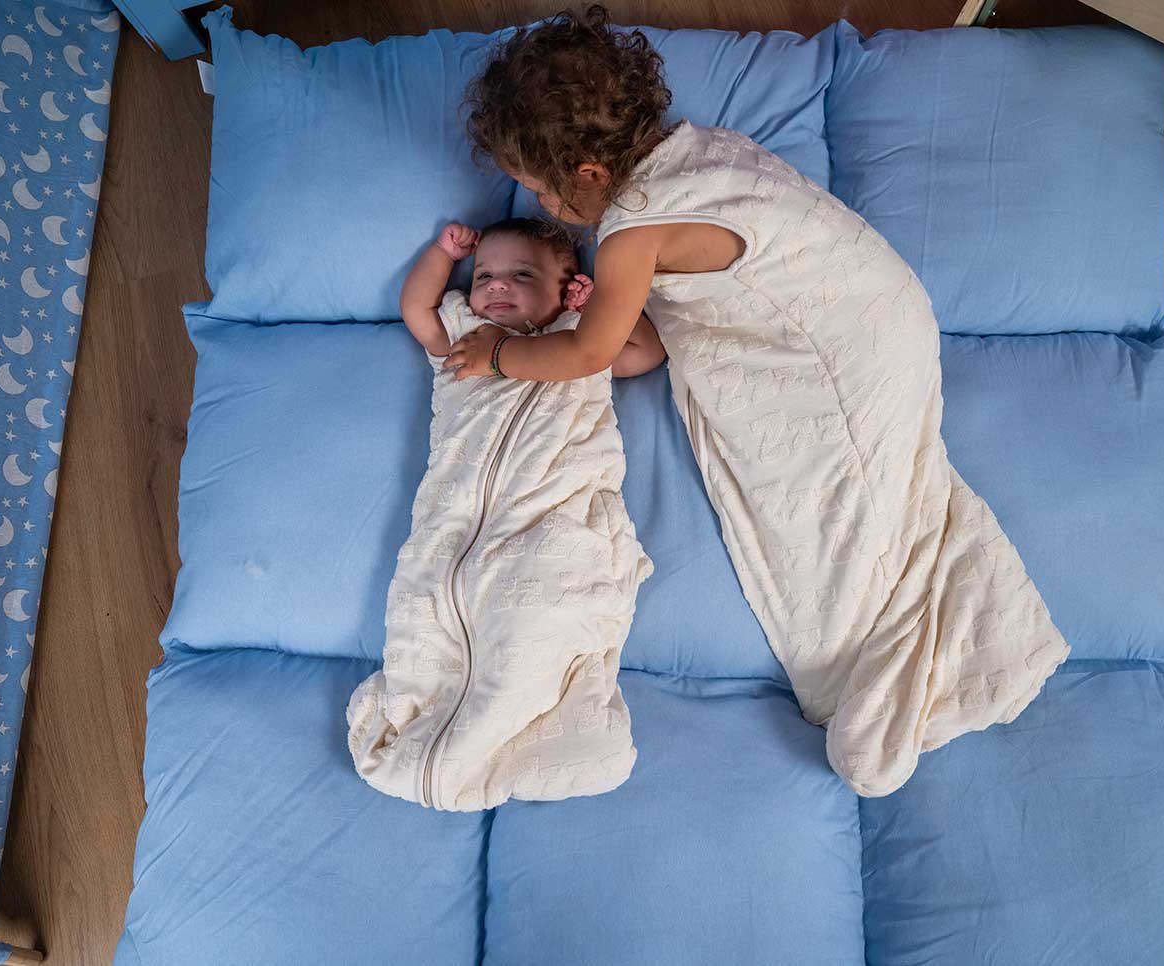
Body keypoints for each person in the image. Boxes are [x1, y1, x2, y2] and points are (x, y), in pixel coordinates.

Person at [443, 7, 1070, 797]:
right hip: (882, 297)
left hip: (838, 344)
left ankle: (903, 665)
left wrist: (500, 354)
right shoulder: (698, 147)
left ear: (591, 176)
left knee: (835, 513)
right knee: (894, 479)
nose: (535, 203)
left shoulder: (632, 232)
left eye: (539, 187)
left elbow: (589, 352)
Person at [346, 217, 660, 811]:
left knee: (532, 623)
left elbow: (645, 352)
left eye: (521, 275)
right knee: (428, 618)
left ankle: (526, 740)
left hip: (548, 516)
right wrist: (442, 257)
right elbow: (417, 308)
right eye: (483, 275)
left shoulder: (581, 339)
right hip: (452, 522)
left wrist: (599, 308)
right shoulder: (464, 335)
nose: (496, 285)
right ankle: (427, 745)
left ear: (566, 288)